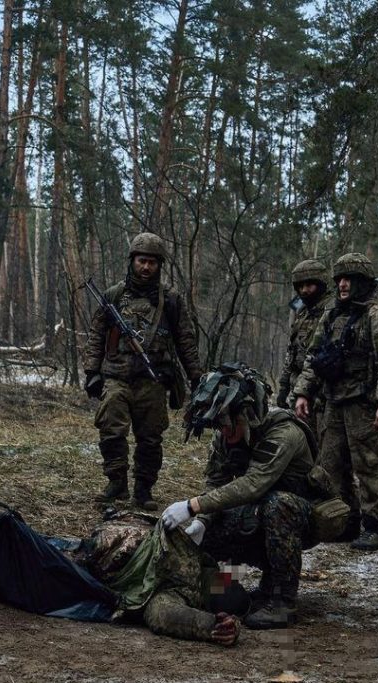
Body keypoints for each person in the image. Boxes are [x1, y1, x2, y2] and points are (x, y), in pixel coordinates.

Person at [160, 363, 348, 630]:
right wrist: (201, 521)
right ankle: (224, 590)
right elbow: (216, 483)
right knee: (211, 525)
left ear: (246, 414)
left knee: (278, 505)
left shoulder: (284, 433)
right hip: (261, 514)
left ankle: (283, 602)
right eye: (220, 426)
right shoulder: (226, 437)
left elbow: (253, 485)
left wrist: (192, 506)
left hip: (302, 518)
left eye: (229, 424)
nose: (224, 433)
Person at [292, 252, 378, 551]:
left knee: (368, 465)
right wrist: (303, 392)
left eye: (349, 280)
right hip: (333, 401)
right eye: (340, 279)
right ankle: (346, 522)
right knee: (330, 465)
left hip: (364, 404)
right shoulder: (332, 314)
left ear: (363, 283)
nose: (343, 285)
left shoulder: (377, 315)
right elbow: (314, 358)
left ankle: (375, 527)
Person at [82, 232, 204, 510]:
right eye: (141, 261)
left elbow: (185, 339)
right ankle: (116, 483)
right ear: (132, 261)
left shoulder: (170, 300)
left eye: (151, 262)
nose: (146, 267)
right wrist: (91, 372)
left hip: (153, 379)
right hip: (116, 376)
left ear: (159, 265)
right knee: (110, 429)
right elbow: (96, 334)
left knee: (150, 437)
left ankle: (143, 489)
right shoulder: (114, 295)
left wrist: (196, 377)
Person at [78, 512, 242, 646]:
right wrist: (215, 625)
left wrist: (217, 625)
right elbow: (163, 615)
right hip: (111, 547)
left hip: (117, 531)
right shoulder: (185, 587)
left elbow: (163, 615)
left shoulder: (196, 554)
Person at [277, 258, 332, 421]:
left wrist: (304, 391)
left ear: (321, 284)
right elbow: (292, 352)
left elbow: (318, 356)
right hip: (298, 391)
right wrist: (283, 387)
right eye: (300, 286)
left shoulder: (332, 312)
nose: (304, 291)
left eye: (309, 285)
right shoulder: (304, 313)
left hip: (321, 394)